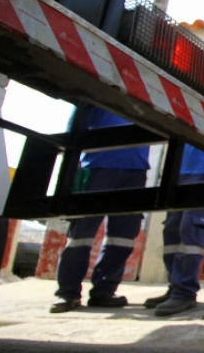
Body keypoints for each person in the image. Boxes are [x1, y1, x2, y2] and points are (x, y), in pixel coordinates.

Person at [49, 107, 150, 313]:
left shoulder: (149, 95)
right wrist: (72, 159)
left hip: (136, 170)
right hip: (98, 167)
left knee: (122, 236)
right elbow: (78, 119)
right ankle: (67, 294)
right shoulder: (106, 84)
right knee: (81, 234)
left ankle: (104, 292)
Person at [143, 144, 204, 316]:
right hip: (178, 170)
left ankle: (184, 292)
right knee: (172, 230)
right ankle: (175, 286)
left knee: (190, 229)